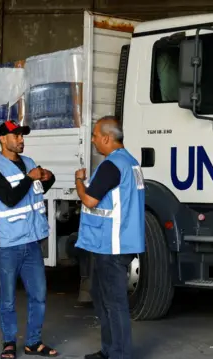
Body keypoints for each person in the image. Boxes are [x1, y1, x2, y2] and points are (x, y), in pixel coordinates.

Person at [0, 120, 59, 358]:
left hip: (31, 242)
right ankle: (9, 343)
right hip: (8, 245)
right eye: (16, 136)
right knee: (8, 298)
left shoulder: (29, 163)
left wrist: (48, 177)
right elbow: (10, 198)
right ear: (3, 139)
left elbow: (38, 191)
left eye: (22, 136)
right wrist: (30, 177)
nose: (21, 140)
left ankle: (33, 342)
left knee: (39, 295)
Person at [74, 116, 146, 359]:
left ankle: (119, 354)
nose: (93, 140)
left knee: (114, 303)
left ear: (106, 137)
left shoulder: (111, 165)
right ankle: (110, 350)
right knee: (102, 296)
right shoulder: (131, 163)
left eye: (95, 135)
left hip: (111, 245)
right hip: (121, 242)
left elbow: (90, 200)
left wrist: (79, 182)